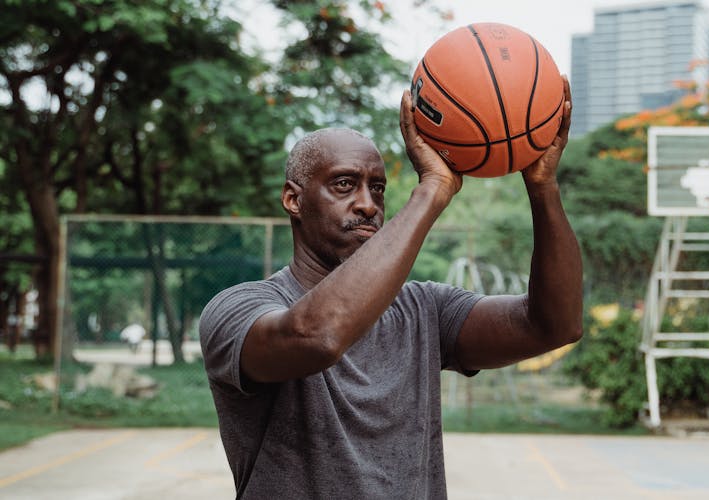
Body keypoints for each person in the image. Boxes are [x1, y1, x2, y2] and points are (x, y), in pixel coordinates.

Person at [199, 77, 582, 499]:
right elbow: (318, 336)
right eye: (344, 184)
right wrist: (433, 188)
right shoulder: (237, 308)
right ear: (293, 200)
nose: (367, 204)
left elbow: (554, 325)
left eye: (377, 188)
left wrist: (543, 187)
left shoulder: (425, 309)